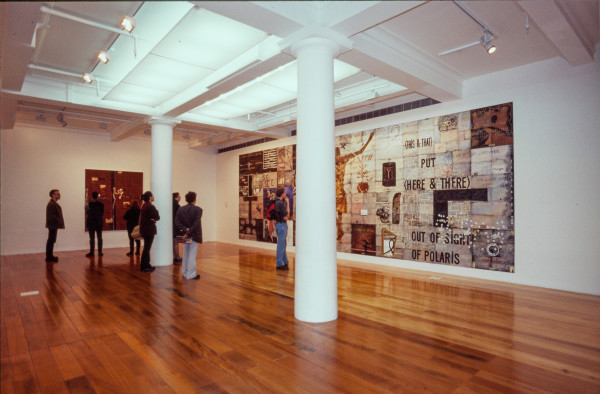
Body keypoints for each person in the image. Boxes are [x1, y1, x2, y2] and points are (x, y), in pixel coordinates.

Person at [174, 191, 202, 280]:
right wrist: (188, 232)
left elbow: (177, 221)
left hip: (186, 235)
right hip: (194, 235)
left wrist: (185, 230)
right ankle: (191, 274)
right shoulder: (198, 209)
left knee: (186, 253)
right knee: (192, 254)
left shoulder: (181, 209)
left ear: (186, 199)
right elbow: (196, 223)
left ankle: (184, 271)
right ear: (194, 199)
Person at [139, 191, 160, 272]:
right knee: (147, 248)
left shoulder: (144, 205)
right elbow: (157, 216)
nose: (153, 197)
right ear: (150, 197)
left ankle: (146, 265)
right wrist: (154, 219)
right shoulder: (150, 206)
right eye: (152, 195)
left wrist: (153, 218)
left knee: (146, 248)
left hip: (145, 229)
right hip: (149, 230)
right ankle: (145, 266)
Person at [45, 189, 64, 262]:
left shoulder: (53, 203)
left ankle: (50, 256)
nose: (59, 195)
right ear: (53, 195)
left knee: (51, 240)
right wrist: (57, 220)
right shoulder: (51, 204)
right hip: (52, 225)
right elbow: (51, 216)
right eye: (57, 194)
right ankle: (49, 257)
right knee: (51, 240)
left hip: (53, 225)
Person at [274, 188, 289, 270]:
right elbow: (288, 215)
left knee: (283, 244)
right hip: (282, 226)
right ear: (282, 194)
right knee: (281, 246)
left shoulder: (276, 202)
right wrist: (288, 203)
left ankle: (285, 261)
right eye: (284, 192)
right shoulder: (280, 203)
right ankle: (279, 264)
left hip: (278, 225)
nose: (286, 193)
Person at [85, 191, 104, 257]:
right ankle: (100, 252)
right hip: (98, 222)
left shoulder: (88, 204)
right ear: (97, 196)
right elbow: (102, 213)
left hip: (91, 222)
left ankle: (92, 252)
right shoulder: (101, 204)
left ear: (92, 196)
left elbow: (87, 212)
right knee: (99, 238)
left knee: (92, 238)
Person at [172, 192, 182, 263]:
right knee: (176, 242)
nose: (180, 197)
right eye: (179, 196)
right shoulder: (177, 206)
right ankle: (177, 257)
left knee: (173, 242)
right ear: (176, 198)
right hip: (176, 226)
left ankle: (175, 256)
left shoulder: (170, 205)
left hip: (171, 226)